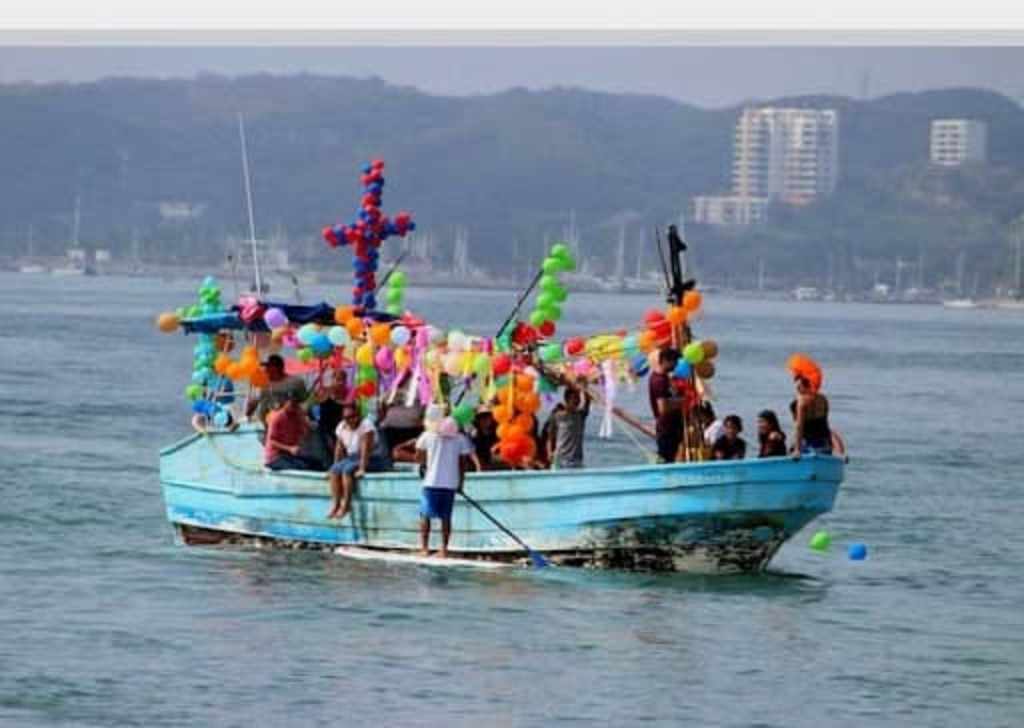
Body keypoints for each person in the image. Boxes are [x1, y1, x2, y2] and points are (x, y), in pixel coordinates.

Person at [415, 418, 474, 558]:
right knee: (446, 517)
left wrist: (424, 463)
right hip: (450, 483)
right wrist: (460, 484)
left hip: (431, 482)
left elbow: (418, 456)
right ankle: (444, 549)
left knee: (425, 516)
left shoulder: (427, 436)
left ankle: (424, 548)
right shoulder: (460, 439)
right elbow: (463, 464)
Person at [327, 402, 391, 519]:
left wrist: (362, 468)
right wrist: (335, 465)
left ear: (358, 415)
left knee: (347, 470)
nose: (350, 420)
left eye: (352, 416)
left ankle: (346, 505)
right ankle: (336, 505)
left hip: (374, 458)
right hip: (353, 457)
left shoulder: (366, 426)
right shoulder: (341, 427)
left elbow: (365, 450)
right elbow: (339, 448)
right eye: (346, 417)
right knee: (334, 471)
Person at [263, 391, 321, 471]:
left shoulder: (296, 417)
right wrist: (290, 448)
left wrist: (302, 419)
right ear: (285, 403)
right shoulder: (277, 418)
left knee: (316, 464)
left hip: (289, 455)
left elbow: (305, 434)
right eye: (291, 402)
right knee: (302, 467)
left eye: (295, 402)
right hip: (275, 457)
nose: (293, 405)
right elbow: (272, 441)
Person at [246, 354, 309, 422]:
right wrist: (248, 414)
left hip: (289, 422)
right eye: (265, 367)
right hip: (265, 423)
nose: (265, 369)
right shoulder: (260, 383)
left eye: (268, 366)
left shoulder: (296, 382)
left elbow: (305, 402)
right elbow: (253, 404)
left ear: (278, 367)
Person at [648, 348, 684, 463]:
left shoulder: (665, 378)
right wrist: (683, 402)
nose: (677, 365)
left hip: (672, 427)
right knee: (666, 458)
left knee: (670, 456)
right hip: (667, 428)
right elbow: (663, 408)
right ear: (665, 361)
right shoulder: (659, 381)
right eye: (675, 362)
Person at [546, 385, 591, 469]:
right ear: (567, 399)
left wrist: (584, 385)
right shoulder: (557, 416)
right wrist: (549, 452)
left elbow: (587, 401)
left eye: (578, 398)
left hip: (577, 460)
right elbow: (550, 437)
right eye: (573, 398)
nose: (576, 401)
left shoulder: (581, 415)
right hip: (560, 460)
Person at [790, 375, 832, 458]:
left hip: (809, 442)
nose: (797, 389)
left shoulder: (802, 401)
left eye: (799, 386)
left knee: (791, 451)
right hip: (824, 442)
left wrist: (797, 449)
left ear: (803, 386)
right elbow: (825, 421)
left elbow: (799, 426)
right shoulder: (823, 399)